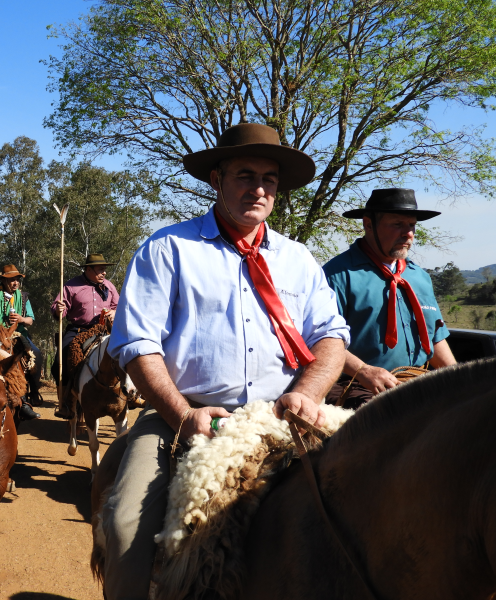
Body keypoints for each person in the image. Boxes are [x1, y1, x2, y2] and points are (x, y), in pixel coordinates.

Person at [103, 123, 351, 600]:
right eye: (245, 176)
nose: (258, 189)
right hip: (182, 415)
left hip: (279, 416)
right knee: (125, 526)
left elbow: (331, 337)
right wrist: (182, 416)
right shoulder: (168, 249)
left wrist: (307, 394)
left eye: (269, 179)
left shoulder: (299, 259)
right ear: (216, 180)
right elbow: (136, 343)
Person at [323, 188, 457, 408]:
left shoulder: (419, 277)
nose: (408, 233)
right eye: (397, 224)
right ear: (368, 224)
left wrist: (458, 379)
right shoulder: (336, 275)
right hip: (357, 386)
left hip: (417, 383)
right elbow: (319, 339)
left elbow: (435, 338)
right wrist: (363, 371)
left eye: (412, 225)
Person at [50, 253, 120, 418]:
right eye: (100, 269)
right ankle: (66, 403)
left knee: (124, 354)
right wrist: (59, 310)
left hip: (104, 330)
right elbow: (58, 309)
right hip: (78, 330)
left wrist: (115, 313)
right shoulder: (71, 286)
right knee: (60, 362)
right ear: (88, 269)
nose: (104, 273)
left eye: (104, 269)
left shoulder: (109, 286)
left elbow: (119, 306)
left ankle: (129, 394)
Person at [0, 263, 42, 420]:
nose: (16, 283)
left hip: (16, 334)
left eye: (17, 279)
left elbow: (30, 320)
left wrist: (21, 319)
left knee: (36, 355)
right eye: (12, 279)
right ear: (4, 281)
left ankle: (29, 396)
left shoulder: (23, 297)